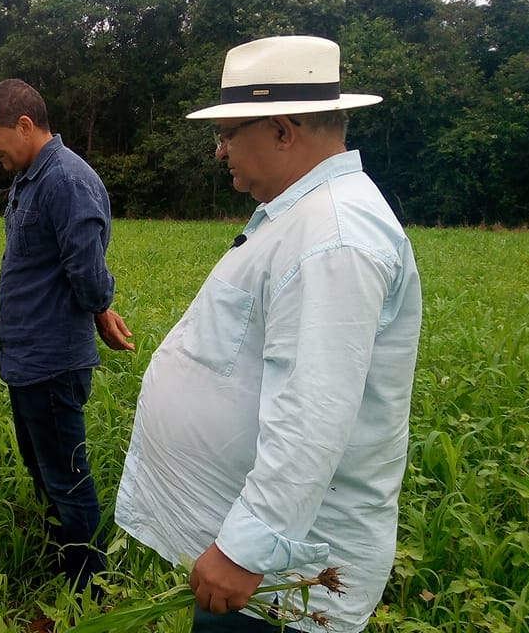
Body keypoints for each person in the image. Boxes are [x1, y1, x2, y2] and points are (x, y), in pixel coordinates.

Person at [114, 36, 423, 632]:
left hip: (283, 581)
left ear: (283, 131)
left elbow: (315, 413)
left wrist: (244, 552)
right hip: (257, 562)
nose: (219, 150)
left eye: (231, 133)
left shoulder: (333, 237)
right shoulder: (303, 218)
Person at [0, 78, 135, 594]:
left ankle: (88, 590)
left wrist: (101, 308)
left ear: (24, 126)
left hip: (51, 359)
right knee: (43, 467)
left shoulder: (65, 181)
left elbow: (86, 268)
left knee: (66, 475)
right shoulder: (30, 175)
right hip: (26, 357)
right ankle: (63, 559)